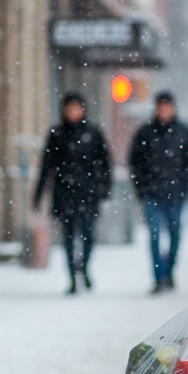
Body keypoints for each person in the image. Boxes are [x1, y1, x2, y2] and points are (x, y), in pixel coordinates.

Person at [33, 93, 112, 294]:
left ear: (83, 110)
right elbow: (46, 166)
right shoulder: (57, 134)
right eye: (69, 108)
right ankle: (71, 278)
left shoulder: (93, 133)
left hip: (88, 193)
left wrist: (104, 188)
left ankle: (83, 268)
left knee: (88, 236)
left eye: (76, 108)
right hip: (64, 194)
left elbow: (105, 163)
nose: (73, 112)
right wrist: (39, 193)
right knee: (68, 238)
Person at [129, 91, 188, 294]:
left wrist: (186, 186)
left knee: (175, 236)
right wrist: (141, 188)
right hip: (152, 195)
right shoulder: (145, 133)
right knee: (153, 235)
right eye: (161, 107)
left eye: (167, 107)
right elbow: (135, 162)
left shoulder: (183, 133)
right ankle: (159, 277)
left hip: (176, 195)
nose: (164, 111)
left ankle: (169, 272)